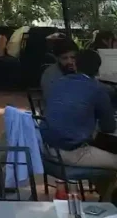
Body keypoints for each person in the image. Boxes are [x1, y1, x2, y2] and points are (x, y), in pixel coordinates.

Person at [42, 49, 117, 199]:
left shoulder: (59, 82)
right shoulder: (97, 89)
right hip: (72, 152)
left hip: (47, 149)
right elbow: (109, 127)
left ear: (75, 65)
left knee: (101, 149)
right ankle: (110, 203)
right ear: (98, 69)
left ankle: (105, 198)